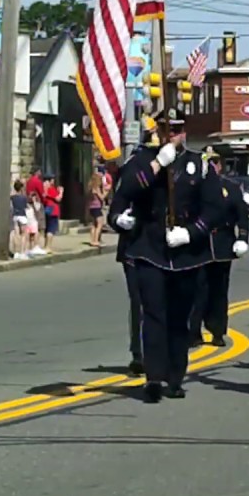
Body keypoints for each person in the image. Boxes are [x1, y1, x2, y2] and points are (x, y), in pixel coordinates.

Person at [108, 108, 226, 403]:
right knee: (153, 313)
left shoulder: (198, 164)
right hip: (150, 248)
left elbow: (214, 209)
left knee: (179, 317)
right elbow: (127, 191)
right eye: (166, 129)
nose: (172, 134)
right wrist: (158, 164)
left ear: (184, 131)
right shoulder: (143, 161)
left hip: (186, 251)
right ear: (157, 130)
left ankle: (175, 376)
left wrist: (192, 232)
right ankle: (153, 376)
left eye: (177, 129)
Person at [112, 117, 161, 376]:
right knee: (141, 303)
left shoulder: (185, 164)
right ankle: (140, 354)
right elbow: (119, 203)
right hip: (137, 244)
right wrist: (119, 219)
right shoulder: (136, 164)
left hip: (170, 246)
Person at [190, 146, 249, 348]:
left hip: (223, 244)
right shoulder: (194, 187)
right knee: (197, 291)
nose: (212, 166)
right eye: (207, 163)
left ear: (220, 165)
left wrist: (242, 237)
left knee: (219, 291)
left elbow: (242, 214)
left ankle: (217, 331)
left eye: (214, 162)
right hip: (200, 244)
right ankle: (193, 331)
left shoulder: (230, 187)